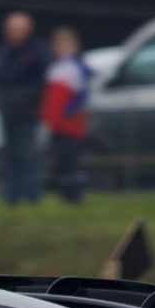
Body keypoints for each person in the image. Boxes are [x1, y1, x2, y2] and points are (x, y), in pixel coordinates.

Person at [0, 11, 49, 206]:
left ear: (28, 30)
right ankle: (11, 197)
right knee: (10, 154)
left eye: (18, 29)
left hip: (28, 112)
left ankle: (32, 196)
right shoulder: (4, 51)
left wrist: (27, 98)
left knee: (28, 154)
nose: (14, 33)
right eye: (11, 29)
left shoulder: (37, 51)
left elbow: (43, 81)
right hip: (8, 110)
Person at [42, 26, 93, 203]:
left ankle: (74, 196)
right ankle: (64, 195)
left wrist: (68, 111)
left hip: (70, 123)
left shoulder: (76, 67)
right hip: (56, 123)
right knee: (60, 159)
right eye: (58, 44)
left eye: (65, 44)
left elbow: (83, 93)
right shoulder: (55, 67)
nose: (60, 48)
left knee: (71, 159)